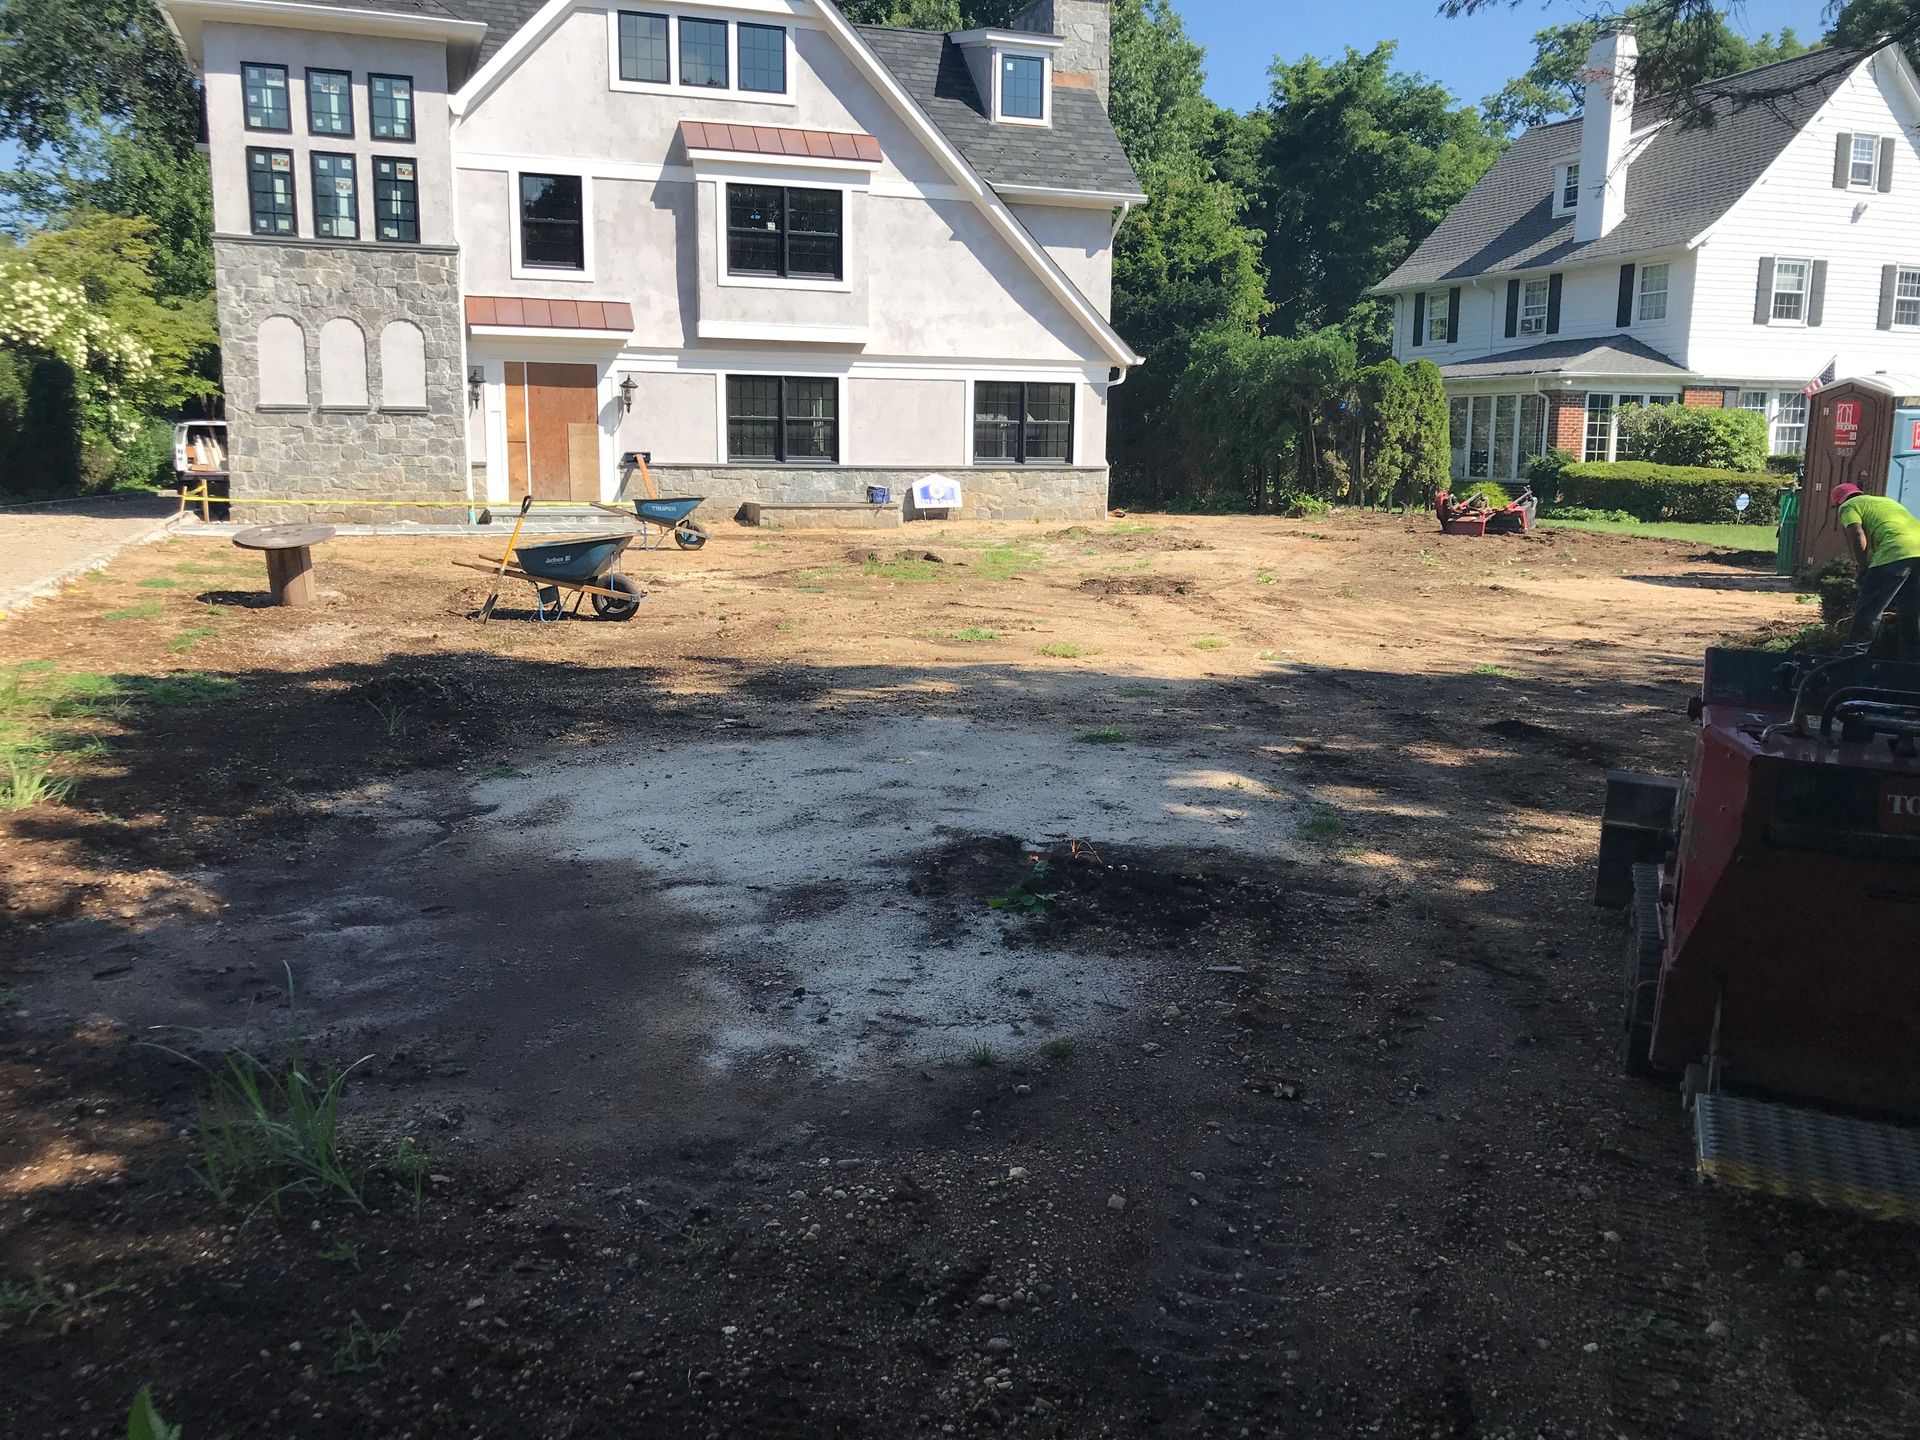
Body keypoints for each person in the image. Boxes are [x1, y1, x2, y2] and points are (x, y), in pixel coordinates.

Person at [1831, 482, 1920, 659]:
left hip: (1895, 552)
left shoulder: (1849, 506)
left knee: (1870, 609)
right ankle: (1911, 662)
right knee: (1911, 612)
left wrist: (1863, 568)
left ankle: (1852, 657)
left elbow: (1857, 534)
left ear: (1840, 502)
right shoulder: (1887, 502)